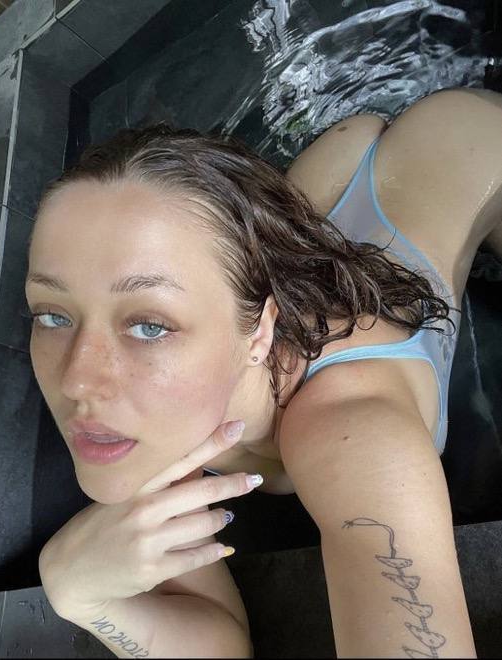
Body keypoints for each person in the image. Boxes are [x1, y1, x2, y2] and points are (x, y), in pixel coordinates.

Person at [28, 86, 502, 658]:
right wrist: (78, 594)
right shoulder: (154, 404)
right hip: (323, 187)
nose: (77, 382)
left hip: (468, 152)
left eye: (150, 325)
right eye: (52, 314)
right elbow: (220, 643)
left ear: (259, 332)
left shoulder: (356, 427)